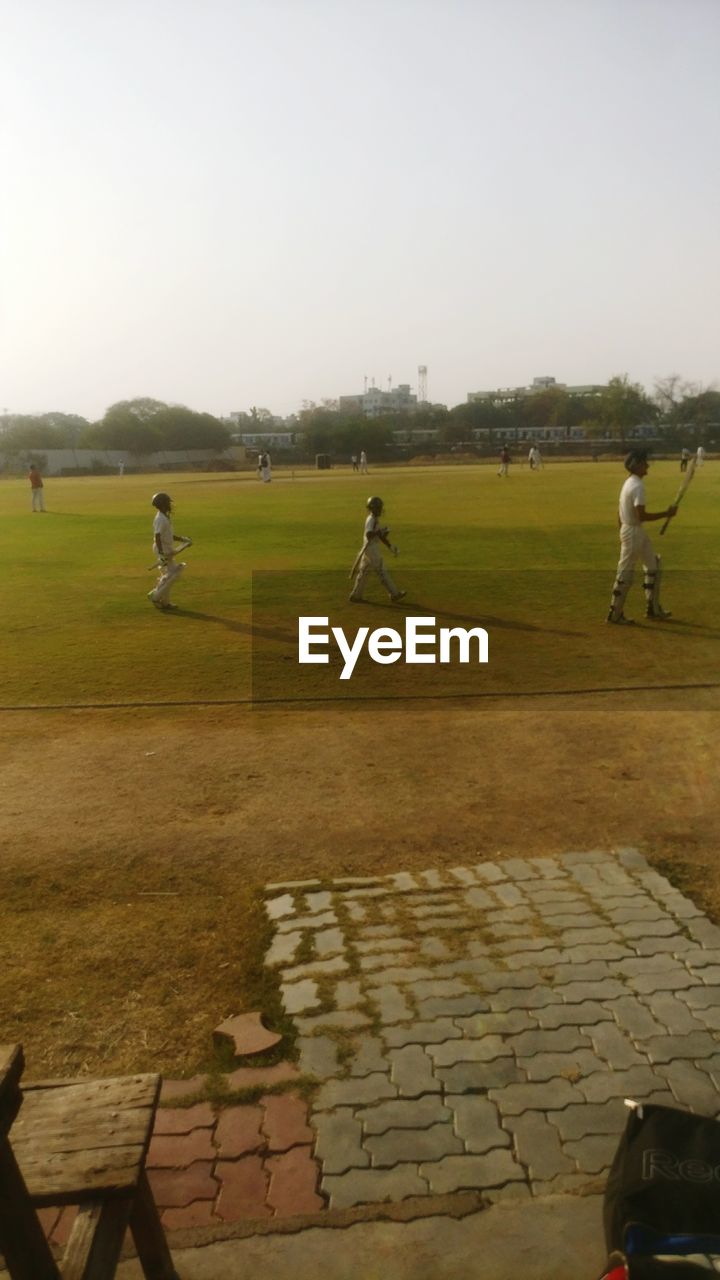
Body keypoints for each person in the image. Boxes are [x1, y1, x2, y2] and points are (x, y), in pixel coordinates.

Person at [607, 450, 677, 625]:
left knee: (653, 565)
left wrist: (622, 529)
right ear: (636, 465)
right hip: (633, 531)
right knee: (625, 572)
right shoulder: (637, 486)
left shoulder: (629, 482)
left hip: (632, 530)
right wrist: (666, 513)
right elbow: (641, 515)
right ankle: (614, 614)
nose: (647, 465)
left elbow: (619, 511)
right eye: (644, 462)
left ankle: (652, 609)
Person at [349, 496, 406, 603]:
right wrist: (379, 532)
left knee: (364, 572)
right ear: (372, 508)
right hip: (371, 549)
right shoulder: (371, 519)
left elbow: (380, 536)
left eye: (380, 507)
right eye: (378, 508)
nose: (380, 510)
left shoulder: (374, 519)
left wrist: (390, 546)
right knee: (382, 571)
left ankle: (356, 595)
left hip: (368, 549)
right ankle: (394, 594)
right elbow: (369, 534)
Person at [147, 492, 189, 611]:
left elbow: (168, 535)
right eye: (168, 503)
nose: (170, 505)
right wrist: (161, 554)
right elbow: (158, 536)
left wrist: (182, 539)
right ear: (164, 504)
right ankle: (155, 595)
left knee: (168, 577)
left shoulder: (164, 517)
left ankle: (165, 602)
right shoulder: (161, 519)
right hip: (163, 550)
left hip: (166, 549)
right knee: (174, 574)